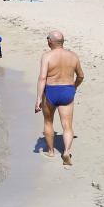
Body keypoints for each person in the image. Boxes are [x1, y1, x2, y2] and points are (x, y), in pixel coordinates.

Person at [35, 30, 85, 167]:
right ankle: (66, 152)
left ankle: (51, 151)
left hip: (51, 91)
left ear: (50, 41)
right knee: (67, 126)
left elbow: (42, 78)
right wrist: (74, 87)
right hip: (67, 91)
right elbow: (81, 76)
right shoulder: (73, 56)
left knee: (48, 122)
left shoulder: (47, 56)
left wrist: (38, 99)